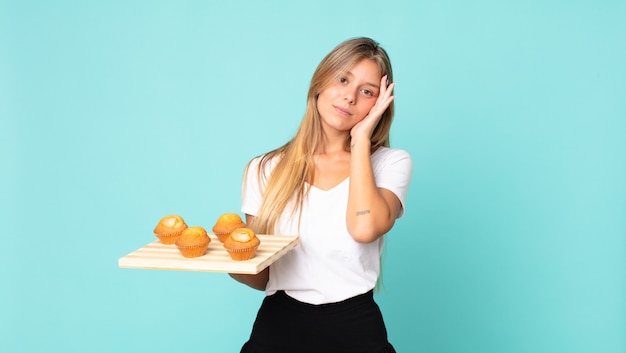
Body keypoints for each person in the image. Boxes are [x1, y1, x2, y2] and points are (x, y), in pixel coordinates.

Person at [230, 37, 412, 353]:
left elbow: (364, 228)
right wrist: (234, 260)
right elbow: (263, 278)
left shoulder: (390, 163)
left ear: (378, 104)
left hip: (355, 326)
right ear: (320, 81)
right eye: (343, 79)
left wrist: (359, 143)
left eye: (367, 91)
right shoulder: (265, 168)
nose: (350, 96)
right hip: (279, 324)